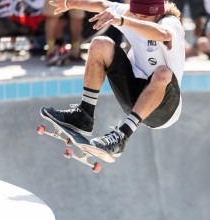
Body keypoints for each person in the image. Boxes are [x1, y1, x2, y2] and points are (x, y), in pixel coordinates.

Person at [44, 0, 185, 156]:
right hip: (134, 95)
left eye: (143, 16)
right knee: (100, 43)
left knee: (162, 73)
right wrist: (68, 4)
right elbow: (102, 5)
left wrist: (124, 20)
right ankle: (84, 115)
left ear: (157, 12)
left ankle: (121, 136)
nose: (137, 18)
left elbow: (163, 34)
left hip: (164, 108)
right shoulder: (131, 14)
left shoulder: (170, 22)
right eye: (135, 14)